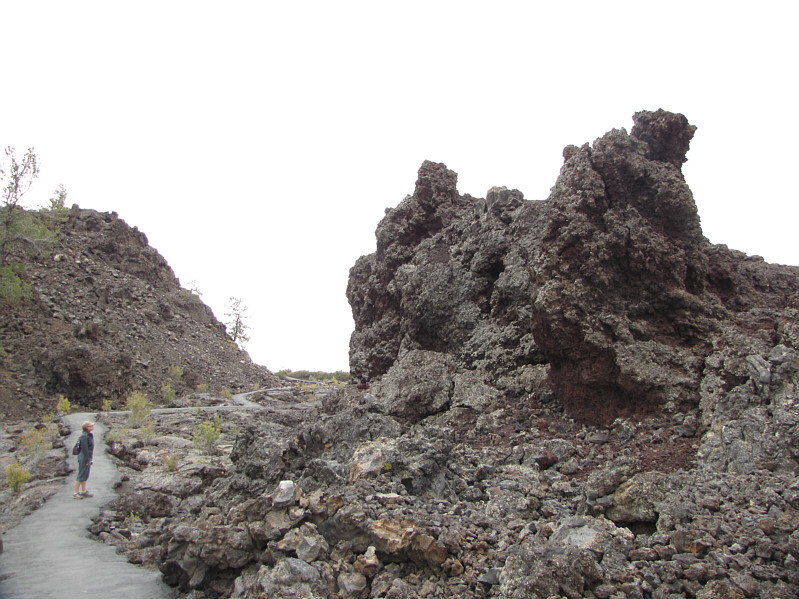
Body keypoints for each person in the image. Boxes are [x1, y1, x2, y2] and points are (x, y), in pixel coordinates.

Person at [73, 421, 95, 499]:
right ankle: (75, 493)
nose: (92, 427)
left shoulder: (89, 435)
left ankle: (83, 491)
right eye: (90, 426)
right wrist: (87, 460)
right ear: (86, 427)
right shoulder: (84, 436)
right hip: (84, 457)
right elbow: (85, 450)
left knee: (85, 474)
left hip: (87, 457)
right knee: (81, 474)